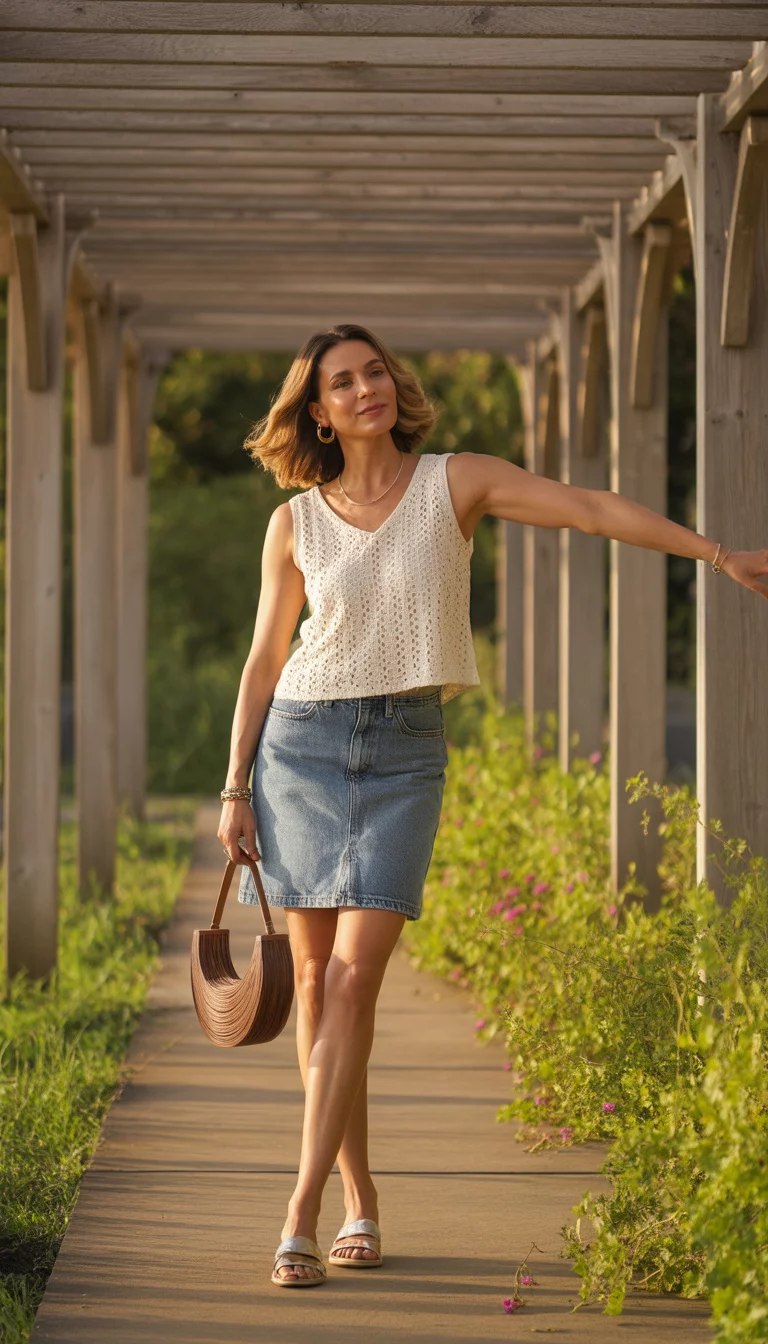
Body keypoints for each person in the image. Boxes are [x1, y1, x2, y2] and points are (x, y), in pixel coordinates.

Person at [217, 322, 768, 1289]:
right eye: (342, 383)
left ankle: (297, 1209)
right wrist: (234, 788)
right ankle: (359, 1198)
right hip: (297, 749)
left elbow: (590, 509)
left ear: (394, 384)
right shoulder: (293, 523)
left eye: (375, 372)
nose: (366, 391)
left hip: (404, 755)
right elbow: (265, 658)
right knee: (310, 988)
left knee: (353, 983)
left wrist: (715, 554)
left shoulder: (455, 482)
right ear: (319, 410)